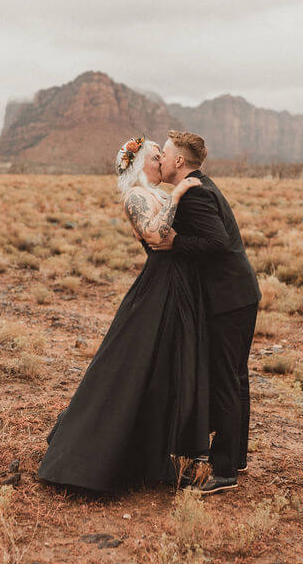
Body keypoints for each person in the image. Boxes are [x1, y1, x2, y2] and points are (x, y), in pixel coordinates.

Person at [36, 137, 209, 492]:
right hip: (159, 285)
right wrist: (177, 197)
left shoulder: (154, 193)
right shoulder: (135, 195)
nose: (163, 162)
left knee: (165, 367)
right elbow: (156, 234)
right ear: (143, 162)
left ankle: (154, 455)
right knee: (132, 364)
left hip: (176, 283)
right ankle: (93, 457)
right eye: (158, 157)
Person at [153, 130, 261, 494]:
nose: (162, 160)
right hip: (238, 295)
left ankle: (225, 472)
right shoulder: (200, 184)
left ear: (180, 161)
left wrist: (175, 243)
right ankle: (236, 458)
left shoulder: (195, 193)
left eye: (165, 155)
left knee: (227, 379)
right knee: (236, 377)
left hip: (229, 299)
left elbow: (217, 242)